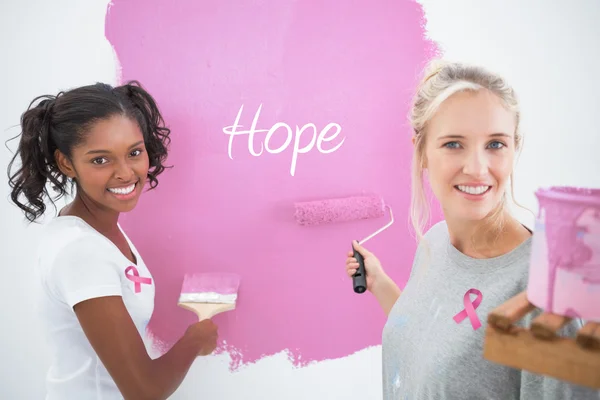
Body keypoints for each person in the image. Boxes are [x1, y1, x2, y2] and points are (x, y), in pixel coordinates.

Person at [344, 60, 600, 399]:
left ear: (514, 148)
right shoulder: (435, 242)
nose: (477, 168)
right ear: (421, 151)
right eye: (453, 144)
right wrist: (380, 284)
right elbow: (436, 343)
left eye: (495, 144)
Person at [7, 81, 217, 399]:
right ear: (66, 163)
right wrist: (194, 340)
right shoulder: (81, 252)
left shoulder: (97, 229)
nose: (125, 173)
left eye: (134, 152)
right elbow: (143, 391)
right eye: (100, 160)